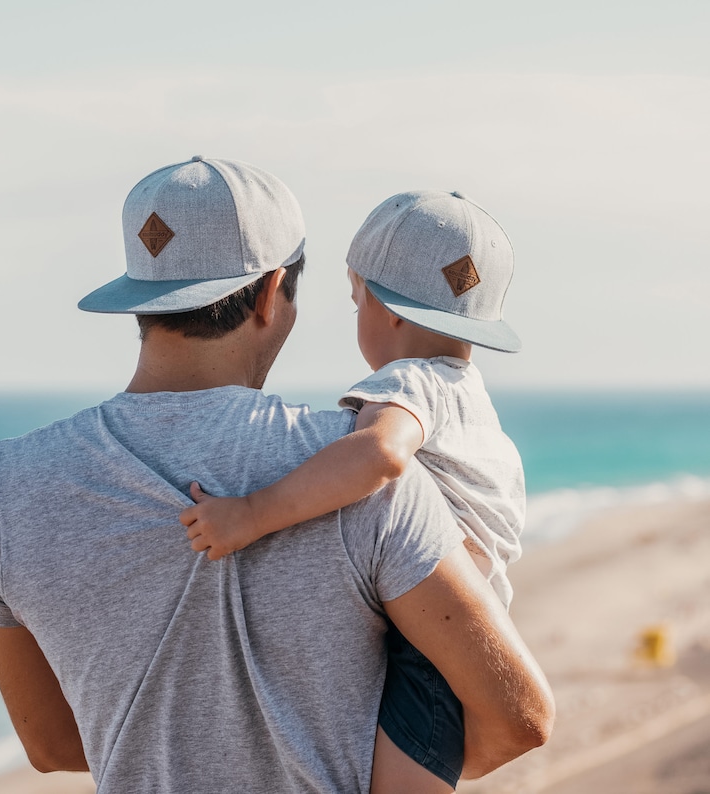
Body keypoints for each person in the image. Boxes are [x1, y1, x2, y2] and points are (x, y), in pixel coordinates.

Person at [0, 157, 554, 794]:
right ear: (273, 292)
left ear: (140, 295)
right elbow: (519, 718)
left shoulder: (7, 487)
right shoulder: (366, 474)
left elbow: (51, 744)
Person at [180, 189, 527, 789]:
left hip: (429, 647)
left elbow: (380, 453)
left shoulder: (411, 381)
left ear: (388, 311)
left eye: (355, 299)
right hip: (466, 630)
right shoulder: (473, 403)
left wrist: (253, 514)